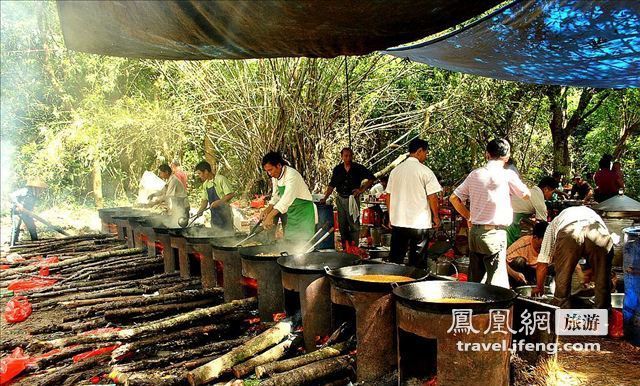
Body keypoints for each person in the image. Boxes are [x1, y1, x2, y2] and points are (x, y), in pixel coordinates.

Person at [450, 138, 530, 288]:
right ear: (506, 156)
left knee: (474, 281)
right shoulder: (507, 175)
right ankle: (492, 311)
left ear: (487, 154)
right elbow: (526, 195)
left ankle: (471, 308)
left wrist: (468, 216)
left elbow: (454, 198)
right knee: (496, 285)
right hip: (494, 234)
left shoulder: (475, 174)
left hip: (474, 234)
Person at [534, 206, 613, 309]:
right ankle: (604, 315)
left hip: (569, 231)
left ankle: (561, 313)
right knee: (602, 279)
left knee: (563, 279)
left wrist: (539, 287)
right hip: (597, 231)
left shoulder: (552, 225)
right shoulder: (593, 214)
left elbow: (542, 262)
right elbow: (602, 260)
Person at [386, 138, 442, 267]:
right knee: (417, 261)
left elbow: (388, 196)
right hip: (419, 224)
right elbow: (432, 197)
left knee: (396, 260)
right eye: (425, 153)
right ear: (419, 151)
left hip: (399, 222)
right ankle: (414, 284)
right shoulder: (425, 171)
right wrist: (436, 217)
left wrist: (391, 217)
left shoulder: (396, 171)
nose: (426, 156)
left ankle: (393, 284)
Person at [320, 148, 375, 247]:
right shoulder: (338, 169)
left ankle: (354, 248)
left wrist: (361, 189)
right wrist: (325, 198)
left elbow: (371, 178)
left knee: (354, 224)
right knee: (342, 225)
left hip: (353, 198)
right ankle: (346, 247)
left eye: (350, 156)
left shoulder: (358, 168)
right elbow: (332, 185)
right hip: (341, 198)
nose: (348, 158)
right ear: (342, 157)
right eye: (346, 156)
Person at [261, 151, 317, 243]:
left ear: (278, 165)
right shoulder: (275, 176)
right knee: (290, 243)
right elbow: (276, 196)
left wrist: (270, 216)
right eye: (267, 171)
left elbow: (285, 200)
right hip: (292, 213)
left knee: (303, 244)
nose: (269, 174)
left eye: (270, 170)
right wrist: (267, 210)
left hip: (303, 213)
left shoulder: (292, 175)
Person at [506, 176, 556, 245]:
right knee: (510, 244)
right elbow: (542, 225)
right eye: (552, 193)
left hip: (511, 215)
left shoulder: (533, 192)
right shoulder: (540, 203)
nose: (552, 196)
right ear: (546, 189)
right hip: (511, 218)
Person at [195, 161, 235, 233]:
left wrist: (219, 202)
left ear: (206, 171)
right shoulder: (205, 184)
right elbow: (205, 200)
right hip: (214, 216)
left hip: (225, 215)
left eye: (200, 173)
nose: (199, 176)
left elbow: (230, 194)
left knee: (227, 237)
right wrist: (200, 210)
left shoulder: (220, 179)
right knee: (216, 237)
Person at [506, 221, 548, 286]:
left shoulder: (549, 246)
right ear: (535, 237)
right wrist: (514, 274)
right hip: (521, 274)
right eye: (544, 240)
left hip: (536, 272)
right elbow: (502, 262)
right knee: (519, 261)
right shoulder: (522, 244)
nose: (546, 243)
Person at [10, 178, 47, 246]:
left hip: (26, 213)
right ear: (36, 188)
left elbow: (31, 205)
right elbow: (12, 195)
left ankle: (36, 245)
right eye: (41, 189)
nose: (42, 191)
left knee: (32, 228)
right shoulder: (25, 190)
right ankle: (12, 246)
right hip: (17, 211)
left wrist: (31, 213)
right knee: (16, 229)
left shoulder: (35, 195)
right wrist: (19, 204)